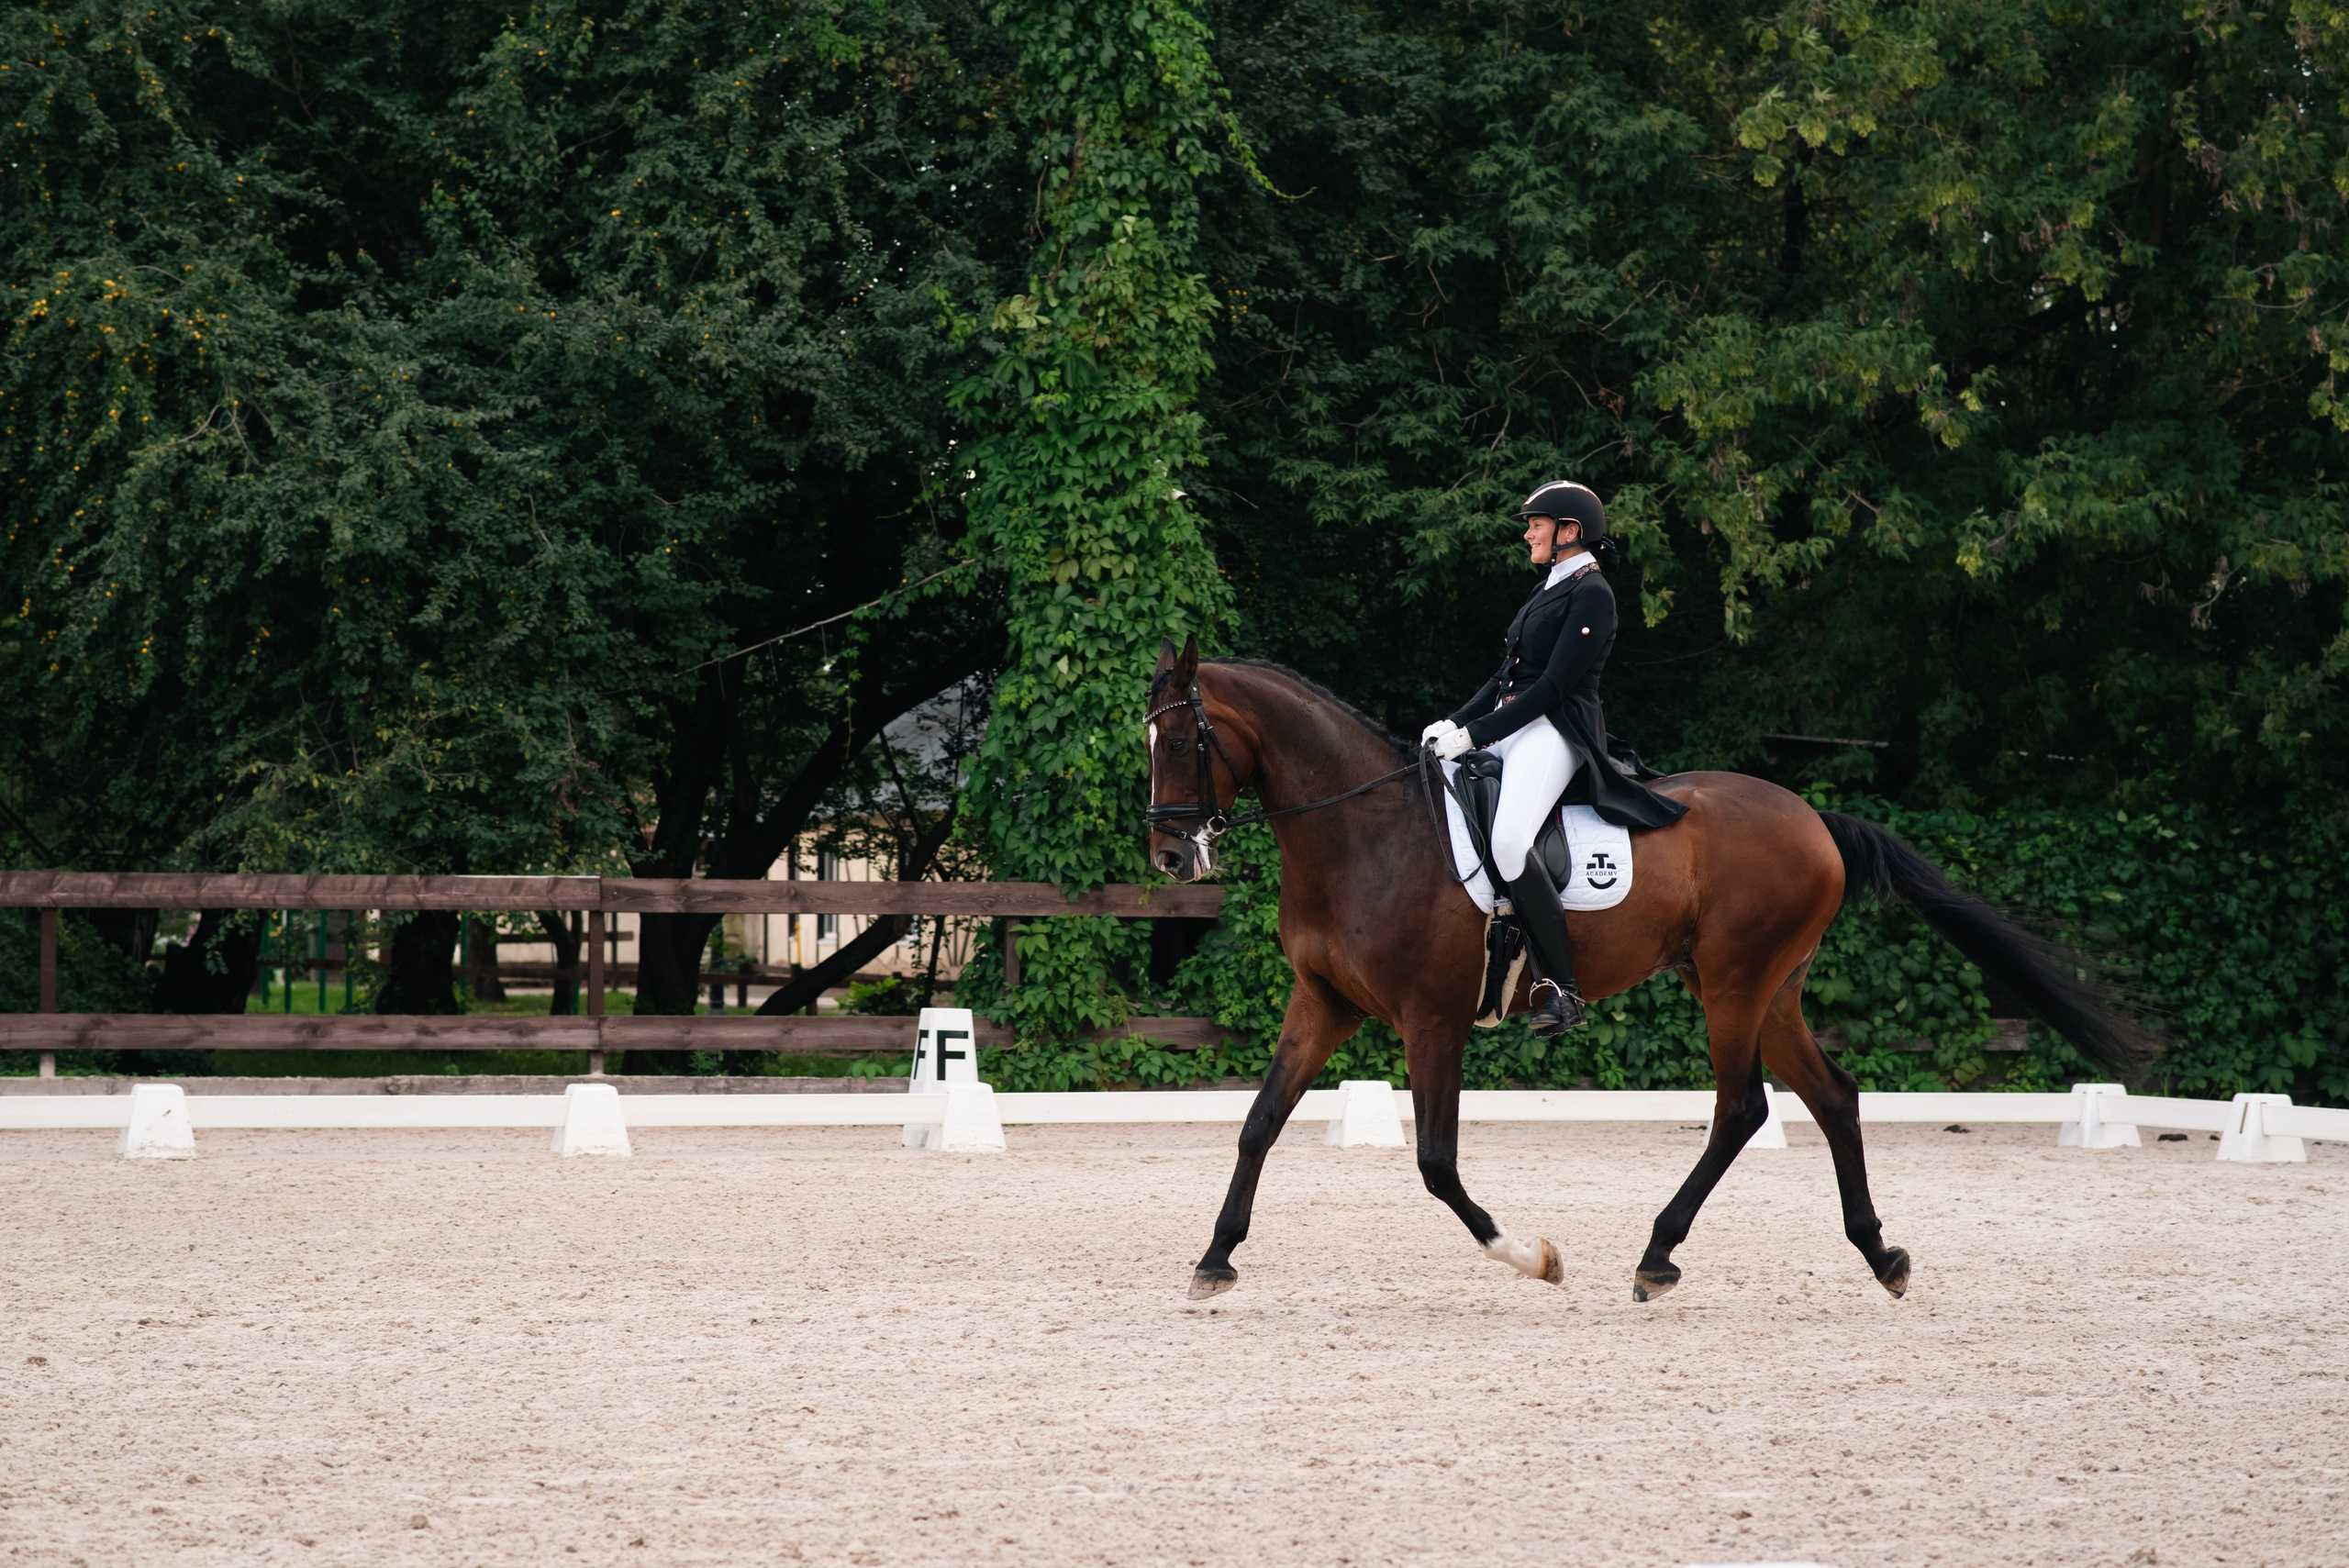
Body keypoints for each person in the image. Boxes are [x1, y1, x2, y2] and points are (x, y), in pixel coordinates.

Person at [1420, 482, 1689, 1033]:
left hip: (1556, 730)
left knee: (1510, 840)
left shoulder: (1593, 593)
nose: (1527, 534)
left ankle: (1562, 990)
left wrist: (1475, 736)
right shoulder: (1550, 586)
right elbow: (1505, 677)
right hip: (1514, 725)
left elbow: (1554, 687)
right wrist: (1456, 722)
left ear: (1570, 532)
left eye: (1535, 525)